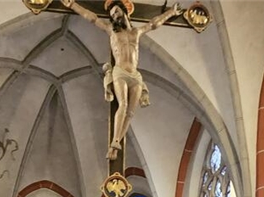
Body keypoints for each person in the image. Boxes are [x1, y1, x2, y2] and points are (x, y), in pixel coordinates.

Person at [61, 0, 182, 159]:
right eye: (112, 15)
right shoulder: (111, 31)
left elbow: (154, 24)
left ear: (124, 12)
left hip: (135, 75)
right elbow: (92, 18)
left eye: (117, 12)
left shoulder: (136, 32)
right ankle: (114, 142)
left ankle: (116, 143)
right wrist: (73, 6)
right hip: (120, 72)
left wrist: (171, 12)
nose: (115, 16)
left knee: (131, 113)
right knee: (123, 104)